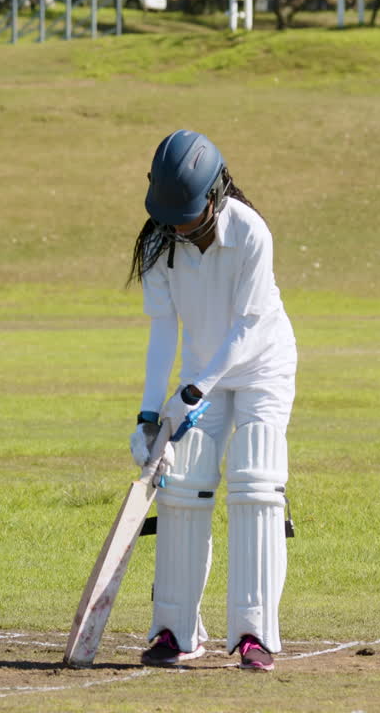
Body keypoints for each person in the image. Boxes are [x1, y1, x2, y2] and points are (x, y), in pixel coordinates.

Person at [127, 130, 297, 671]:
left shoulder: (251, 233)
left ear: (216, 192)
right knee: (183, 482)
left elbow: (247, 325)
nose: (178, 226)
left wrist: (193, 391)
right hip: (200, 370)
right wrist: (151, 415)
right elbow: (162, 330)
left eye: (187, 214)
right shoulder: (158, 244)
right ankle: (176, 632)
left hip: (262, 367)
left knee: (254, 477)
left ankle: (254, 636)